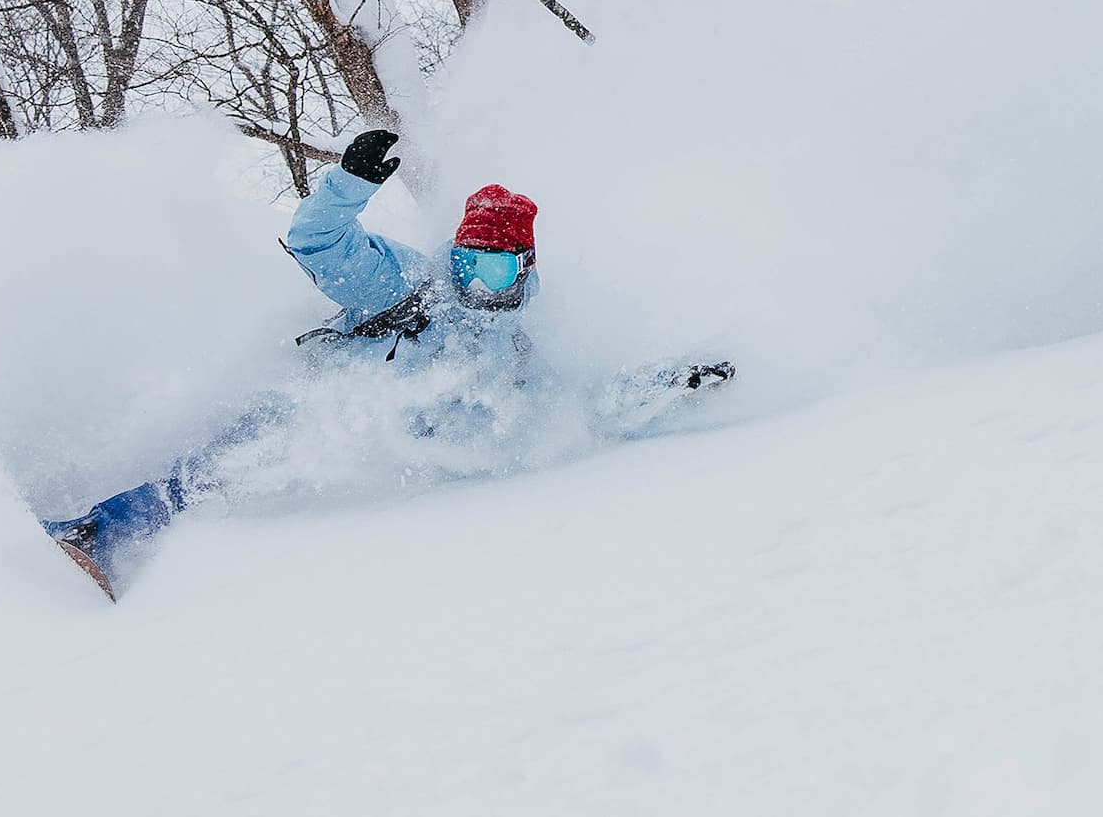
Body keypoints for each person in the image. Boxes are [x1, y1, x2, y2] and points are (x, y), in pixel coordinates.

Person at [42, 130, 731, 598]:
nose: (474, 281)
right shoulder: (405, 284)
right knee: (226, 466)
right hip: (316, 413)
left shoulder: (520, 346)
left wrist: (668, 385)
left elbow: (586, 411)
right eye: (465, 260)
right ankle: (99, 533)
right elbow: (317, 242)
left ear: (523, 265)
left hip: (404, 482)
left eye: (491, 266)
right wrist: (348, 183)